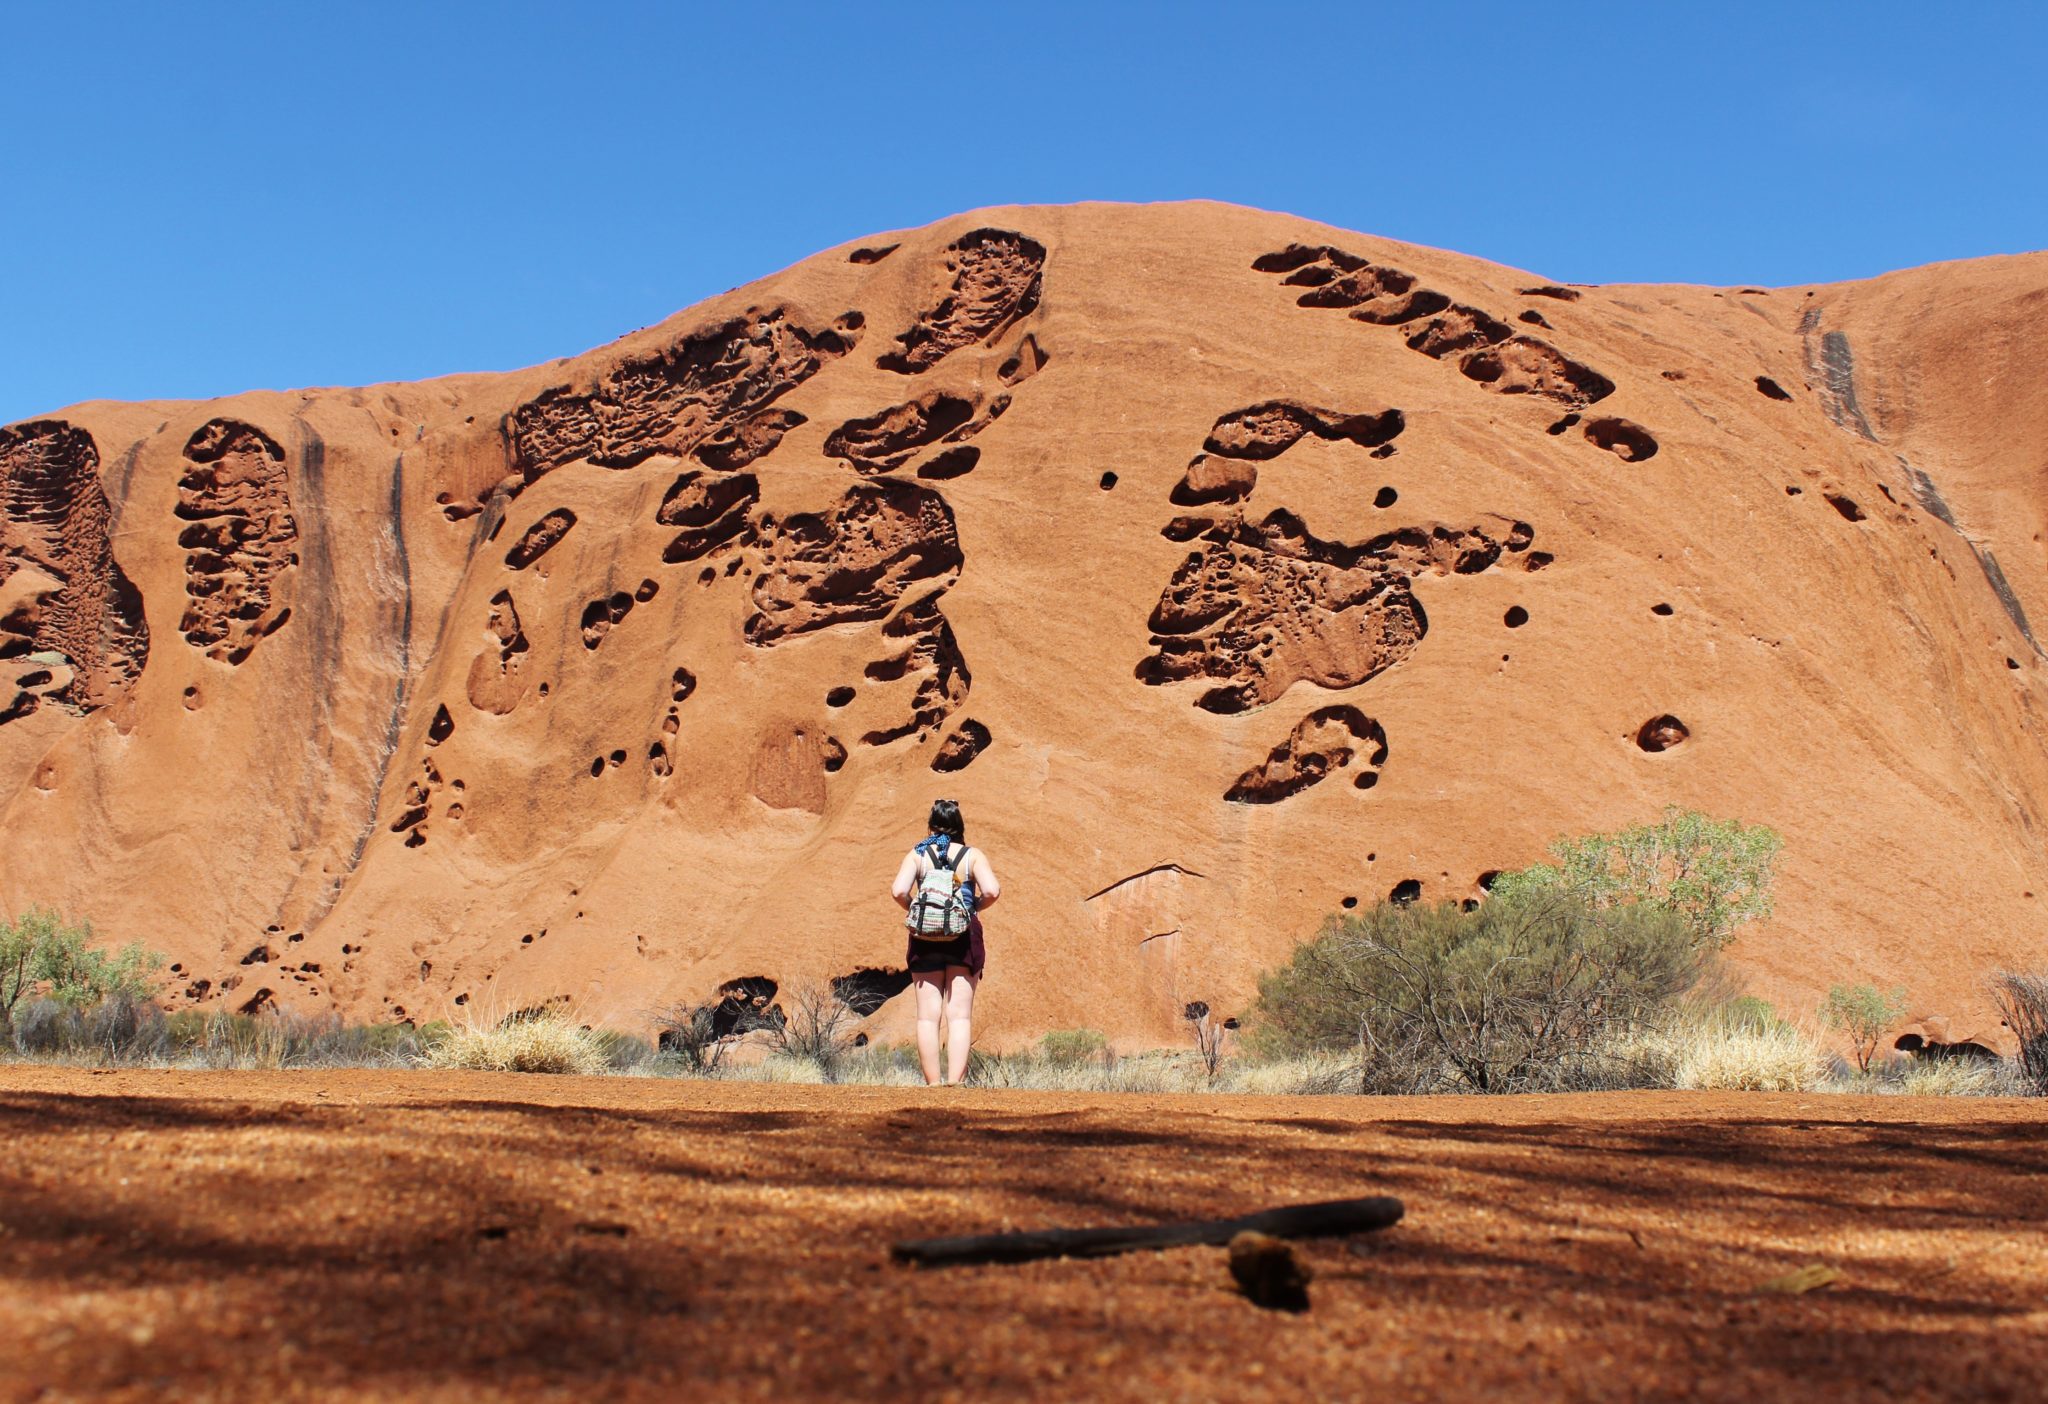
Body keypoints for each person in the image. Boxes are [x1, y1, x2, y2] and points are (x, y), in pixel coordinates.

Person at [890, 799, 1000, 1085]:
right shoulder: (971, 855)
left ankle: (933, 1085)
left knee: (927, 1017)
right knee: (959, 1016)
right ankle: (955, 1084)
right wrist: (973, 905)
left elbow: (898, 890)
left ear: (931, 826)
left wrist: (915, 908)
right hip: (963, 938)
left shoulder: (918, 855)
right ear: (960, 827)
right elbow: (992, 891)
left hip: (924, 937)